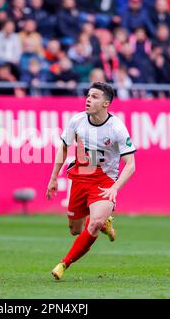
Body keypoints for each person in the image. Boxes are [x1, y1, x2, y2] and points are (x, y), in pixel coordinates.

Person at [46, 82, 136, 280]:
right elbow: (63, 148)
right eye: (88, 95)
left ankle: (63, 264)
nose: (88, 99)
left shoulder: (117, 128)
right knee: (74, 230)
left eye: (94, 96)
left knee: (93, 224)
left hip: (104, 181)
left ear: (106, 104)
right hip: (80, 177)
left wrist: (115, 188)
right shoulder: (77, 121)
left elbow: (131, 164)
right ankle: (105, 222)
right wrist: (53, 177)